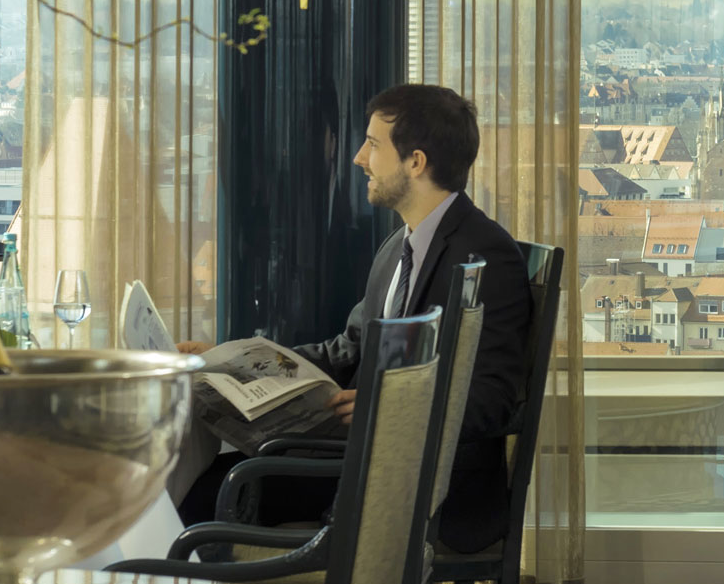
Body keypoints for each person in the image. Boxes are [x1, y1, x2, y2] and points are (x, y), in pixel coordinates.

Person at [171, 84, 534, 554]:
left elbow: (493, 398)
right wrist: (230, 362)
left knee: (206, 497)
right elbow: (347, 350)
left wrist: (390, 406)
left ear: (416, 162)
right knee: (199, 486)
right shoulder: (396, 248)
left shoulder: (486, 258)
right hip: (361, 462)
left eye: (374, 145)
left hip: (424, 486)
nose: (360, 157)